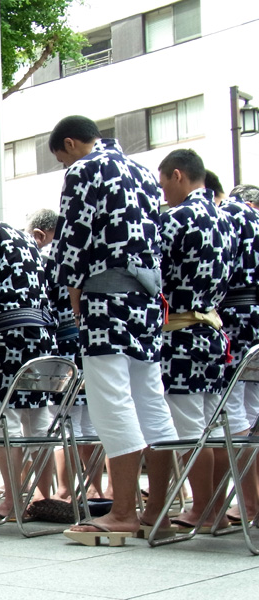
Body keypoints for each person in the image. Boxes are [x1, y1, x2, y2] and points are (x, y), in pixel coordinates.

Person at [49, 116, 178, 544]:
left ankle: (123, 512)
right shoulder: (142, 171)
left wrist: (72, 291)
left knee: (112, 401)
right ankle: (158, 509)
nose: (64, 165)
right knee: (150, 400)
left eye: (61, 157)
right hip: (145, 298)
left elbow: (71, 239)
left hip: (106, 296)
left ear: (71, 144)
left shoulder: (84, 169)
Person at [158, 151, 236, 531]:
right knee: (211, 426)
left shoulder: (173, 219)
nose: (164, 194)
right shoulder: (226, 221)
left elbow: (153, 273)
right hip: (212, 331)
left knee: (188, 428)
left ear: (178, 176)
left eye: (164, 186)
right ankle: (216, 507)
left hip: (181, 333)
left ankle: (204, 509)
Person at [0, 218, 57, 522]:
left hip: (9, 333)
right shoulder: (28, 244)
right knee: (38, 415)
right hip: (42, 334)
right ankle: (43, 496)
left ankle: (11, 501)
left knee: (1, 414)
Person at [26, 209, 103, 502]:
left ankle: (65, 488)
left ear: (40, 235)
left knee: (61, 418)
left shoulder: (46, 260)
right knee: (88, 419)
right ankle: (94, 487)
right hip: (89, 341)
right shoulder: (81, 254)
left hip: (63, 346)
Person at [207, 170, 259, 524]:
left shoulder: (228, 215)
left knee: (234, 412)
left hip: (236, 317)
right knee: (253, 410)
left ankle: (248, 502)